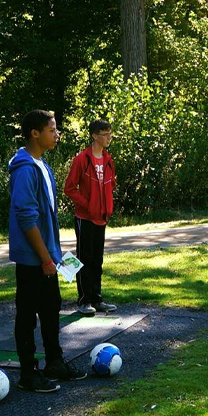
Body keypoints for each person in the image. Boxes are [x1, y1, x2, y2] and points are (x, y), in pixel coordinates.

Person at [8, 110, 87, 391]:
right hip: (33, 258)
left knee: (51, 309)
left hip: (47, 256)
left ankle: (54, 362)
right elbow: (26, 217)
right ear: (35, 133)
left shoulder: (42, 165)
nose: (57, 134)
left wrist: (55, 254)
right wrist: (44, 258)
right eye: (52, 130)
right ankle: (27, 374)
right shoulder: (25, 168)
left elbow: (46, 216)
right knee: (27, 314)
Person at [64, 119, 117, 315]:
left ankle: (97, 298)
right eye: (105, 134)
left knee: (97, 259)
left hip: (101, 217)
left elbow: (110, 186)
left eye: (110, 133)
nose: (108, 137)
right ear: (94, 136)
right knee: (84, 259)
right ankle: (84, 300)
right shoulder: (82, 159)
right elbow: (69, 188)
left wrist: (106, 207)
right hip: (84, 218)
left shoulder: (108, 159)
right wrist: (88, 205)